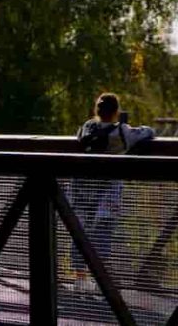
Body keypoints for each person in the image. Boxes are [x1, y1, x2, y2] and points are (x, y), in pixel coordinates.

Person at [69, 92, 155, 292]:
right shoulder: (122, 132)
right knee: (102, 235)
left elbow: (79, 139)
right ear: (116, 111)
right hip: (106, 194)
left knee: (79, 234)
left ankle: (80, 280)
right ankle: (100, 281)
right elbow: (148, 132)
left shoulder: (87, 127)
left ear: (96, 110)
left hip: (81, 190)